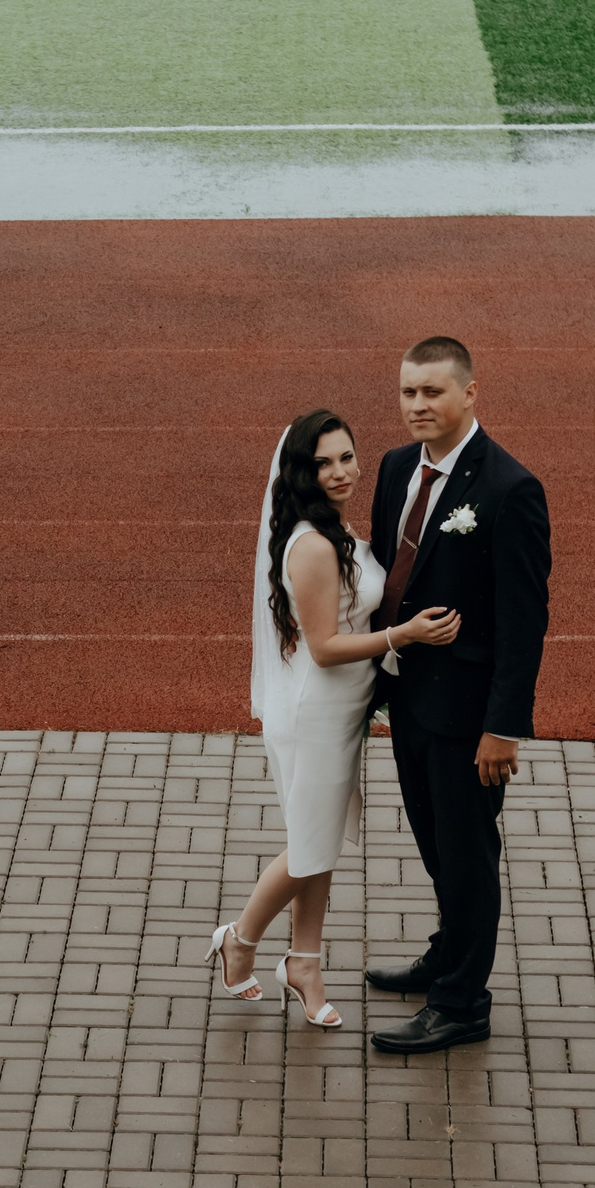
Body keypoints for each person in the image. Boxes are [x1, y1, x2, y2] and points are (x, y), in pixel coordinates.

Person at [210, 410, 458, 1026]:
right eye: (323, 463)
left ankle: (304, 961)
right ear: (300, 472)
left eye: (346, 457)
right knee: (308, 848)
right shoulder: (316, 546)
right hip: (315, 713)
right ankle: (238, 943)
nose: (341, 471)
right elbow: (324, 646)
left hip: (343, 713)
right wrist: (403, 636)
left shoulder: (337, 529)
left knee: (318, 845)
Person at [360, 336, 552, 1054]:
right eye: (408, 392)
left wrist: (503, 728)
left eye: (433, 392)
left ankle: (463, 1001)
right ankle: (449, 953)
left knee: (467, 854)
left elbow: (524, 622)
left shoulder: (509, 490)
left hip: (469, 716)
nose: (417, 405)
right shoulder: (393, 467)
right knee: (435, 842)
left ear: (470, 393)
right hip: (409, 701)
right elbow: (388, 577)